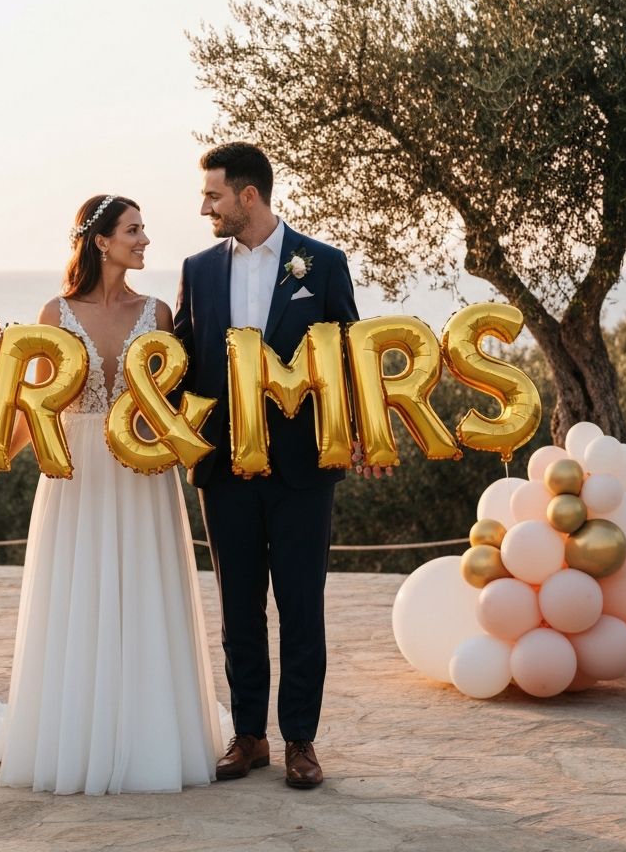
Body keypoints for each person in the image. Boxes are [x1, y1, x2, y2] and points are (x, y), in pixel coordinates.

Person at [0, 195, 227, 795]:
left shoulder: (160, 312)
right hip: (77, 474)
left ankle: (150, 733)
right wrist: (1, 450)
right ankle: (77, 732)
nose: (144, 240)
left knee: (144, 593)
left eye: (143, 230)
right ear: (102, 241)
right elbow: (42, 403)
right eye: (134, 230)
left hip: (143, 475)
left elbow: (168, 404)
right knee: (81, 593)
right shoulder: (55, 314)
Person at [174, 142, 369, 789]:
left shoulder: (325, 264)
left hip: (304, 472)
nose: (206, 207)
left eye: (214, 196)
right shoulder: (198, 270)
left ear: (248, 197)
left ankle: (302, 743)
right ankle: (250, 735)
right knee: (238, 608)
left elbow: (348, 357)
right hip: (225, 472)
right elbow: (179, 363)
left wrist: (363, 433)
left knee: (301, 606)